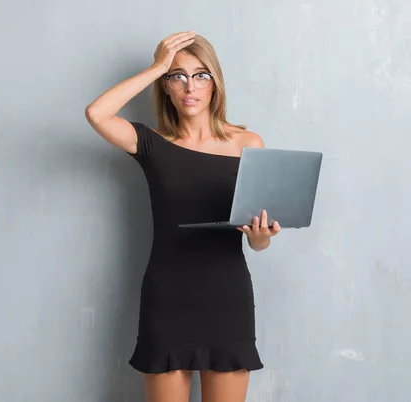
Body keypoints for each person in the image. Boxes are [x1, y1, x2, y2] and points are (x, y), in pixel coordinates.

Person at [84, 31, 281, 402]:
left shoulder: (247, 143)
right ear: (166, 87)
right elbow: (96, 113)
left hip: (227, 297)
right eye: (177, 76)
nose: (189, 86)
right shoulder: (150, 143)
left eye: (201, 75)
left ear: (215, 84)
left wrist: (260, 235)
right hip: (168, 296)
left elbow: (260, 241)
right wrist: (157, 65)